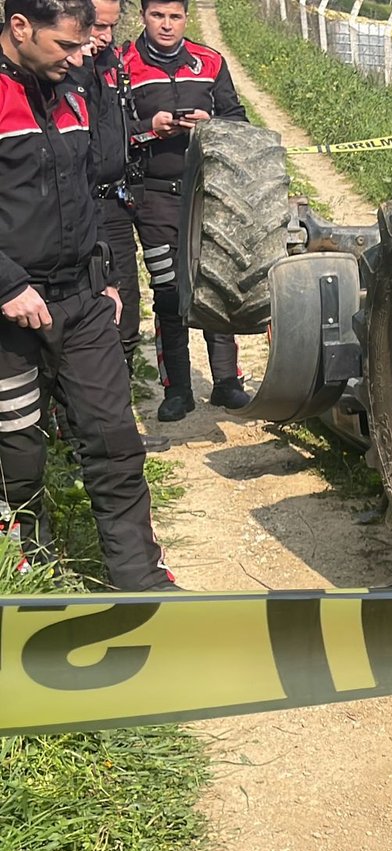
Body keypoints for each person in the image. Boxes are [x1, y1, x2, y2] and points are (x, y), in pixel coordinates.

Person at [0, 0, 176, 591]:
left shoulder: (73, 86)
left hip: (81, 300)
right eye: (67, 45)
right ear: (20, 27)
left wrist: (101, 272)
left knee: (114, 441)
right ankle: (34, 572)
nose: (83, 56)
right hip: (10, 312)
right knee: (17, 457)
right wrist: (7, 284)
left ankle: (140, 578)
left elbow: (85, 189)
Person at [122, 0, 249, 422]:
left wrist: (209, 122)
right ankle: (176, 390)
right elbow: (110, 132)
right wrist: (149, 129)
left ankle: (228, 381)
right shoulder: (123, 64)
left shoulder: (210, 61)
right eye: (158, 16)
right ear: (143, 16)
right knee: (169, 289)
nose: (166, 25)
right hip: (153, 193)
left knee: (216, 283)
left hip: (207, 190)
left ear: (186, 18)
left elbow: (239, 121)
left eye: (174, 16)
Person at [75, 0, 168, 452]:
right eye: (97, 26)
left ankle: (119, 427)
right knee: (85, 322)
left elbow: (120, 126)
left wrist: (147, 127)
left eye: (112, 26)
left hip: (114, 205)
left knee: (125, 317)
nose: (105, 36)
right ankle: (80, 432)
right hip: (73, 209)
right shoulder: (59, 71)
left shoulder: (111, 62)